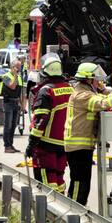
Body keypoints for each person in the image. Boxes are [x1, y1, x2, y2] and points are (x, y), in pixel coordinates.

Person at [64, 62, 112, 205]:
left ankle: (77, 213)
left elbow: (103, 99)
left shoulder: (86, 92)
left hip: (82, 146)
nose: (99, 82)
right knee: (79, 184)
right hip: (78, 147)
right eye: (96, 79)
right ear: (88, 80)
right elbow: (103, 104)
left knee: (83, 183)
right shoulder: (82, 95)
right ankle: (74, 212)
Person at [26, 53, 72, 190]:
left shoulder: (46, 91)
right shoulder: (70, 88)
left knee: (46, 180)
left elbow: (41, 120)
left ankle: (48, 209)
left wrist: (32, 143)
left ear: (45, 72)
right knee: (59, 177)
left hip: (46, 144)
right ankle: (61, 207)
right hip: (64, 143)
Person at [0, 57, 26, 153]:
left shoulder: (19, 77)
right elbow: (12, 86)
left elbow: (20, 91)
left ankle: (11, 144)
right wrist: (15, 75)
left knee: (14, 124)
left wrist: (22, 104)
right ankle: (7, 146)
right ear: (12, 67)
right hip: (8, 103)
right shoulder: (6, 76)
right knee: (8, 125)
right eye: (17, 67)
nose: (19, 69)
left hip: (16, 103)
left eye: (20, 67)